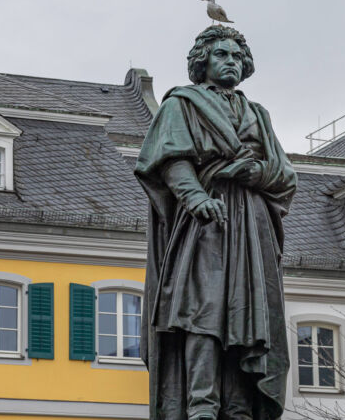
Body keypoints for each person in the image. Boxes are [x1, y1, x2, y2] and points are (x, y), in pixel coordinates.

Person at [134, 25, 297, 420]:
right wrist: (195, 198)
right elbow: (171, 159)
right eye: (222, 55)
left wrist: (253, 172)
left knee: (247, 316)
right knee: (201, 312)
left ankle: (239, 406)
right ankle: (200, 405)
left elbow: (284, 175)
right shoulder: (182, 104)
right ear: (202, 61)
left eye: (238, 58)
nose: (231, 63)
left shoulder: (258, 114)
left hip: (251, 224)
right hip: (204, 221)